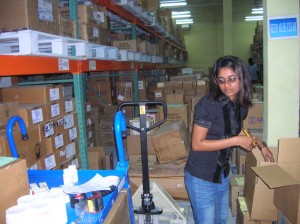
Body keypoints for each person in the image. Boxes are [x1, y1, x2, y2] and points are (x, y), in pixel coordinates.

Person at [184, 55, 274, 224]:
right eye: (221, 80)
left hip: (223, 174)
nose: (226, 85)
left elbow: (238, 131)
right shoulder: (208, 104)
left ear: (242, 79)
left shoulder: (240, 105)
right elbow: (197, 144)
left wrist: (261, 145)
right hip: (201, 177)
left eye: (232, 79)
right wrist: (236, 141)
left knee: (221, 220)